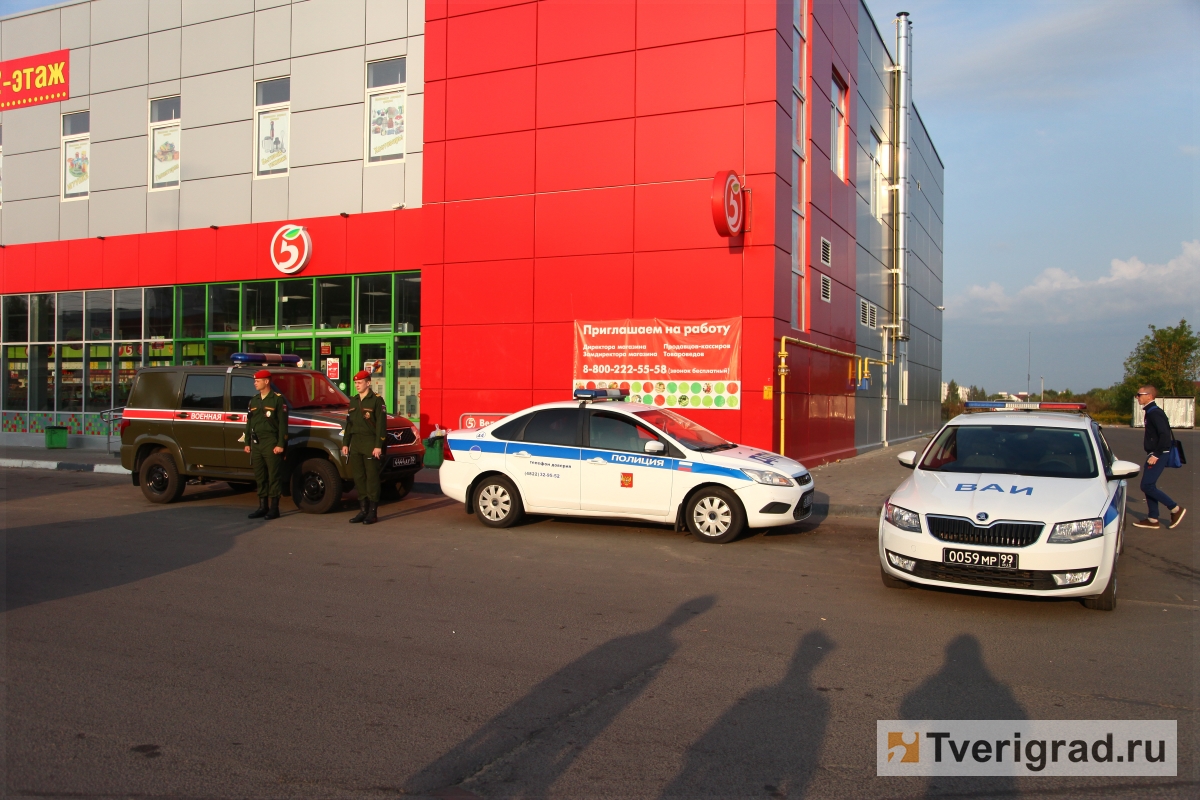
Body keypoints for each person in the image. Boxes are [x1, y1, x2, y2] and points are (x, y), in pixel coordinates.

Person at [1133, 385, 1185, 529]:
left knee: (1147, 485)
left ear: (1149, 396)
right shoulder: (1150, 411)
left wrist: (1156, 454)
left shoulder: (1155, 413)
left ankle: (1175, 509)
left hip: (1159, 454)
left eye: (1139, 394)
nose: (1137, 397)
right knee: (1149, 485)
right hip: (1155, 453)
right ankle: (1152, 519)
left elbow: (1164, 435)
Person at [342, 369, 388, 525]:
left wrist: (378, 445)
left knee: (372, 478)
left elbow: (381, 425)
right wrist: (345, 443)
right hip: (356, 443)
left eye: (360, 383)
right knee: (359, 478)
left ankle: (373, 512)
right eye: (355, 383)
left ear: (368, 383)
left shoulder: (376, 400)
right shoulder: (354, 401)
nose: (357, 385)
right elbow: (349, 424)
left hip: (370, 443)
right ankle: (362, 510)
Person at [245, 369, 289, 520]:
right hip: (257, 442)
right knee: (260, 475)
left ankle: (274, 508)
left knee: (273, 476)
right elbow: (249, 422)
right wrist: (247, 442)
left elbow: (283, 425)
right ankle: (262, 506)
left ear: (266, 381)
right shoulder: (254, 400)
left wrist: (280, 444)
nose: (255, 383)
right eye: (254, 380)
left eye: (257, 380)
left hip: (271, 442)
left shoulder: (277, 399)